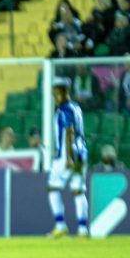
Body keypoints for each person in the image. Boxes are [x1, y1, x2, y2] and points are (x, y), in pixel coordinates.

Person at [47, 78, 89, 239]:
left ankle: (60, 225)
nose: (55, 96)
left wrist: (69, 158)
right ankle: (83, 230)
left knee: (53, 187)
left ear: (64, 92)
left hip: (67, 154)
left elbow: (69, 131)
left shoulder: (64, 110)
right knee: (78, 190)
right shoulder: (76, 107)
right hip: (82, 153)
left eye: (57, 93)